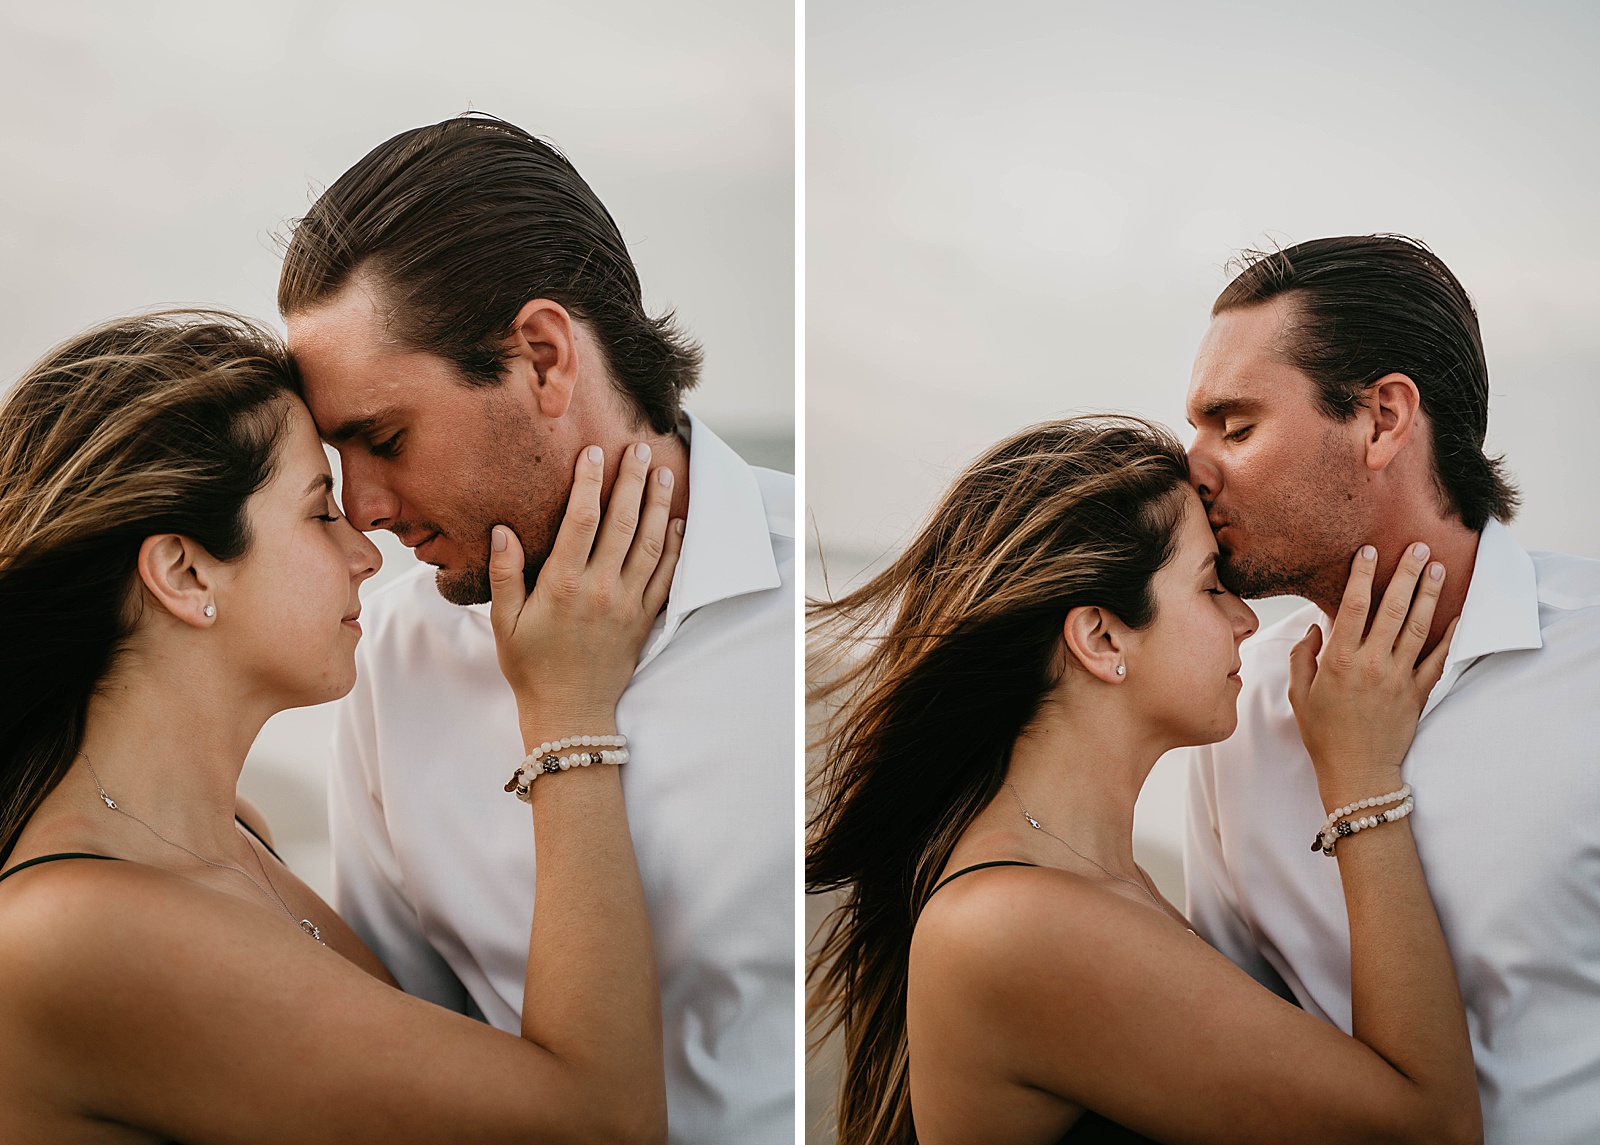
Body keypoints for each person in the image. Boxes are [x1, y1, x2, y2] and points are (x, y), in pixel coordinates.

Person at [0, 311, 681, 1142]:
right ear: (183, 571)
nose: (366, 551)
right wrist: (568, 714)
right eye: (321, 511)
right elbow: (601, 1124)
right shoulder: (75, 930)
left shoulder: (228, 832)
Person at [276, 115, 794, 1145]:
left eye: (383, 437)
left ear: (545, 357)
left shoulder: (821, 617)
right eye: (338, 457)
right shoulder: (394, 652)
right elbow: (409, 1037)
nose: (365, 508)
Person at [807, 416, 1482, 1145]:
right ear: (1101, 638)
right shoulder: (1015, 923)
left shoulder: (1093, 878)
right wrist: (1360, 780)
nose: (1247, 620)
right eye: (1210, 585)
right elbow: (1432, 1129)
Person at [1182, 235, 1600, 1145]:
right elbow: (1233, 1047)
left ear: (1381, 419)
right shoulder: (1231, 708)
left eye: (1236, 427)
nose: (1195, 467)